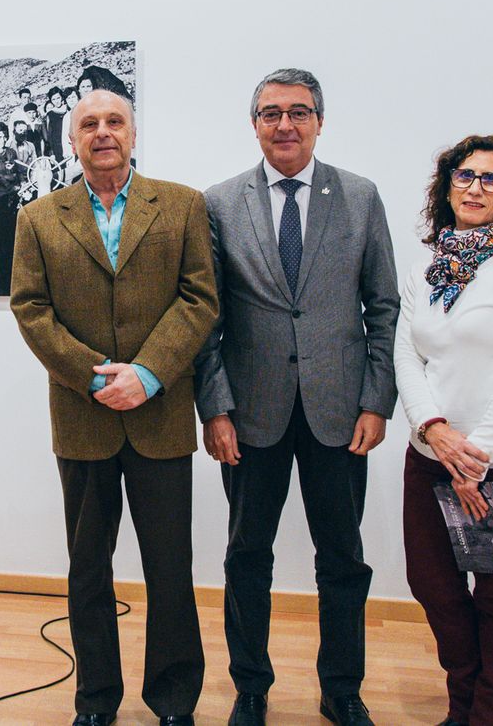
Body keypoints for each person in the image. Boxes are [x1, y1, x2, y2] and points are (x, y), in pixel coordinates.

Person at [195, 68, 399, 726]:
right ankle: (250, 687)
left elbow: (384, 307)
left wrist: (377, 400)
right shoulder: (220, 202)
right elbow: (206, 318)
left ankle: (342, 688)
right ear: (253, 123)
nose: (286, 124)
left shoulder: (361, 197)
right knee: (246, 555)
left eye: (299, 112)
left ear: (319, 121)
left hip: (341, 412)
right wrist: (215, 407)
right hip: (250, 414)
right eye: (271, 112)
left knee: (342, 558)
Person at [10, 89, 218, 726]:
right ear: (72, 139)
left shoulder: (182, 205)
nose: (103, 132)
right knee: (88, 571)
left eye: (115, 121)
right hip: (83, 417)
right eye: (89, 124)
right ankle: (95, 700)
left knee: (170, 570)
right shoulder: (39, 217)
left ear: (133, 133)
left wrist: (149, 374)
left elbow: (200, 299)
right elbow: (30, 307)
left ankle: (175, 701)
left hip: (160, 418)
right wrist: (96, 377)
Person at [394, 135, 493, 726]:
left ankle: (492, 717)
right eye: (465, 176)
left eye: (490, 179)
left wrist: (475, 457)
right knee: (434, 588)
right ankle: (463, 704)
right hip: (430, 457)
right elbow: (407, 358)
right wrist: (434, 431)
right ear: (447, 187)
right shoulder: (425, 269)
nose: (474, 188)